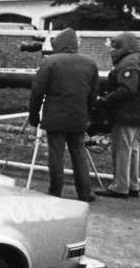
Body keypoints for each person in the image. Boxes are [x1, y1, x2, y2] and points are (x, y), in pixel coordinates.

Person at [28, 29, 99, 202]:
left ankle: (55, 191)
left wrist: (34, 114)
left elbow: (37, 91)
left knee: (56, 155)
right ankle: (85, 193)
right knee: (79, 154)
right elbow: (93, 94)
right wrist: (88, 115)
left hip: (55, 117)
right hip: (79, 117)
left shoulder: (50, 62)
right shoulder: (90, 64)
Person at [95, 32, 140, 199]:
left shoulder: (128, 62)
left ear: (125, 47)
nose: (112, 50)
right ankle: (133, 185)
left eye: (115, 46)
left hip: (126, 113)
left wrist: (104, 100)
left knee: (122, 149)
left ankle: (119, 186)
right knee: (133, 149)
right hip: (139, 112)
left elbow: (127, 89)